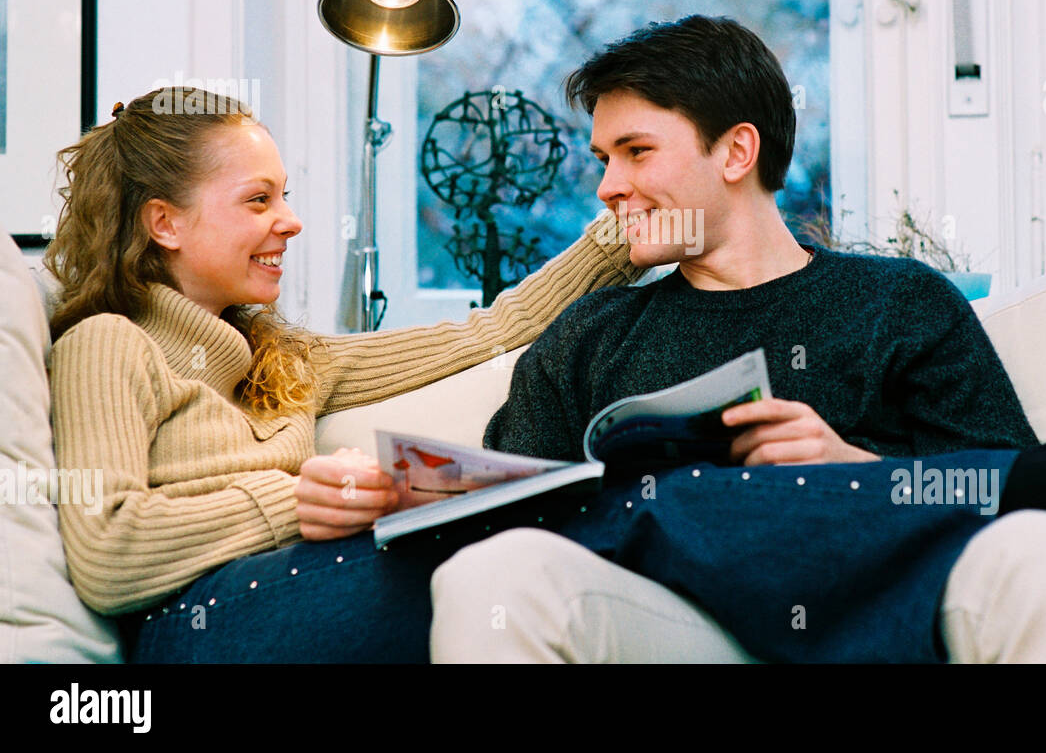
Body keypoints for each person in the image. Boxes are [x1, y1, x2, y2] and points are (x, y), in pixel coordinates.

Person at [428, 15, 1046, 663]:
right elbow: (510, 519)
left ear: (736, 152)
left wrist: (857, 467)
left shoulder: (898, 305)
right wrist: (399, 492)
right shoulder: (591, 337)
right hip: (683, 630)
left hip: (893, 618)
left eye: (635, 152)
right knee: (495, 575)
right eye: (601, 159)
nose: (610, 186)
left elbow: (996, 506)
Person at [45, 87, 643, 663]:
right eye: (259, 200)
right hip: (195, 625)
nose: (291, 221)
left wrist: (635, 223)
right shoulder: (108, 344)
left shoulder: (287, 360)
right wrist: (292, 502)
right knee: (508, 568)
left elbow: (490, 334)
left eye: (285, 196)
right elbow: (106, 550)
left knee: (536, 550)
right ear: (165, 224)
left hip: (304, 590)